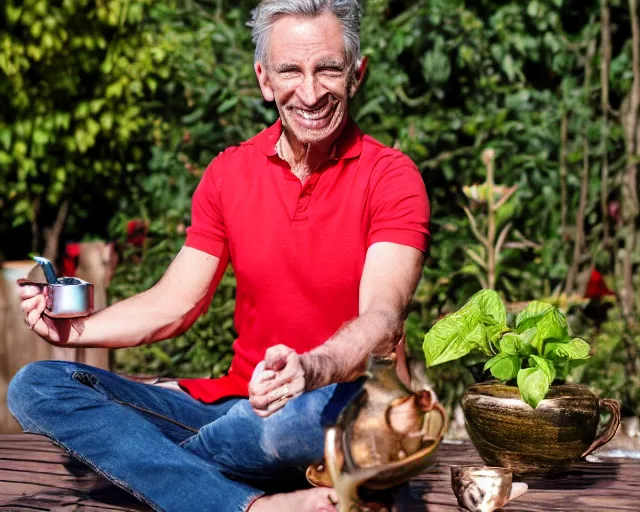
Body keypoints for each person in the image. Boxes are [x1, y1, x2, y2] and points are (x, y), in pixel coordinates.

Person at [8, 0, 430, 510]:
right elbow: (174, 305)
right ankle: (250, 504)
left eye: (329, 69)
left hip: (336, 404)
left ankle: (149, 466)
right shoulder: (230, 173)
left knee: (295, 422)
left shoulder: (391, 177)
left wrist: (311, 368)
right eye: (291, 71)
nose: (311, 91)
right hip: (236, 410)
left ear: (356, 75)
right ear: (264, 80)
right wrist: (73, 330)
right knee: (38, 386)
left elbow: (382, 320)